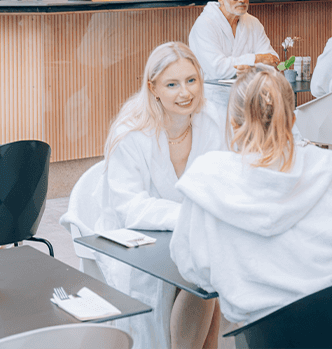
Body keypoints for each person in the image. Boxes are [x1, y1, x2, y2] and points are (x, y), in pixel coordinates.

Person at [170, 65, 332, 327]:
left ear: (233, 122)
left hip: (262, 332)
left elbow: (191, 265)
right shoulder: (328, 166)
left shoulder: (208, 176)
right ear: (292, 119)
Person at [76, 42, 224, 349]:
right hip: (134, 242)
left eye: (191, 80)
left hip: (191, 235)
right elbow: (131, 208)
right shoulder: (131, 132)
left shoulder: (211, 121)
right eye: (172, 84)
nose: (185, 93)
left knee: (215, 273)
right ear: (152, 87)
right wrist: (190, 216)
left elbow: (225, 179)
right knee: (202, 279)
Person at [188, 0, 278, 110]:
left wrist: (250, 68)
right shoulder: (204, 25)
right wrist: (255, 60)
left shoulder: (253, 22)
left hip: (250, 99)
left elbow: (272, 60)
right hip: (212, 103)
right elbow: (217, 68)